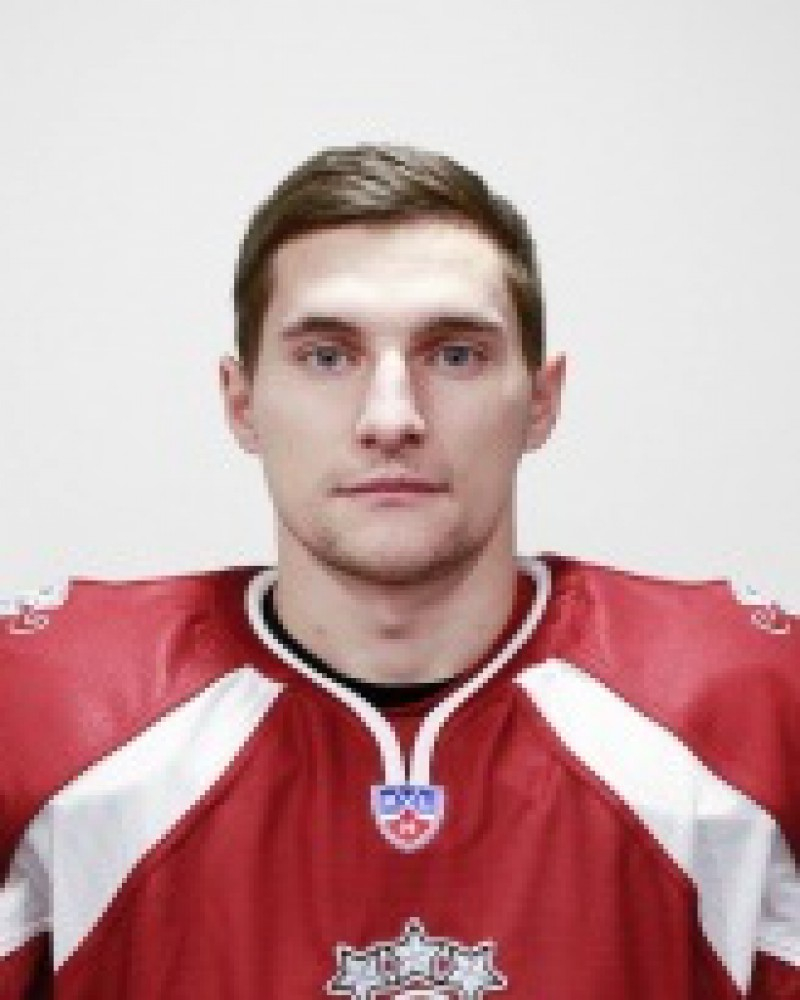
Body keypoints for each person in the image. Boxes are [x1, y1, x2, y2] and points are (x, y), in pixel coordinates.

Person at [0, 144, 797, 999]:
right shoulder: (46, 711)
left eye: (454, 355)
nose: (391, 418)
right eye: (327, 356)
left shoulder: (750, 709)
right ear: (241, 402)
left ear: (541, 400)